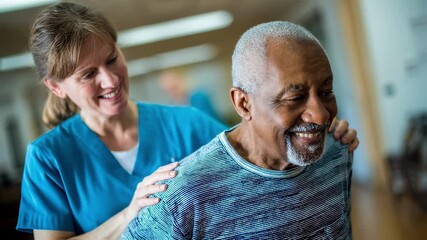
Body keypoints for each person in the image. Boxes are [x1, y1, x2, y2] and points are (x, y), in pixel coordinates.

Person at [15, 2, 358, 239]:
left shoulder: (189, 124)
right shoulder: (48, 158)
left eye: (112, 59)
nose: (111, 80)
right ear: (56, 87)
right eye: (89, 74)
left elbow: (256, 160)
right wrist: (128, 215)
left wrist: (314, 133)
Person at [121, 21, 357, 239]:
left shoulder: (336, 150)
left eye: (326, 92)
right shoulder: (181, 198)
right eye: (295, 98)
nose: (321, 115)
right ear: (244, 104)